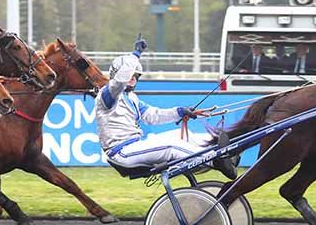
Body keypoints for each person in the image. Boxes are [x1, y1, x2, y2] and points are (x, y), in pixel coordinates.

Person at [95, 36, 237, 179]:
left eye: (136, 76)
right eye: (130, 75)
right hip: (122, 153)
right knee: (171, 146)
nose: (132, 78)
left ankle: (227, 153)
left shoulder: (132, 98)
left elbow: (154, 115)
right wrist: (136, 54)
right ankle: (215, 161)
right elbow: (120, 81)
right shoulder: (107, 95)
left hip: (136, 146)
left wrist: (180, 112)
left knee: (179, 135)